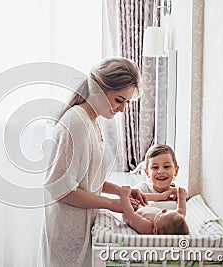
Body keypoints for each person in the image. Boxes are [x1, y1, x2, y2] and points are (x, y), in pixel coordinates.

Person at [40, 58, 147, 267]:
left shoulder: (92, 120)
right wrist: (112, 204)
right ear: (99, 88)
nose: (122, 109)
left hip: (82, 225)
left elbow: (86, 178)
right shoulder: (76, 123)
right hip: (67, 230)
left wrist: (119, 191)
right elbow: (61, 189)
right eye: (119, 100)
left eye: (126, 102)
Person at [119, 186, 189, 235]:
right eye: (167, 212)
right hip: (145, 207)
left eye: (161, 215)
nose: (164, 210)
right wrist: (182, 198)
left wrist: (124, 197)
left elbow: (130, 214)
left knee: (131, 197)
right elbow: (180, 212)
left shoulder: (147, 227)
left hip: (132, 210)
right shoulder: (168, 221)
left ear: (155, 231)